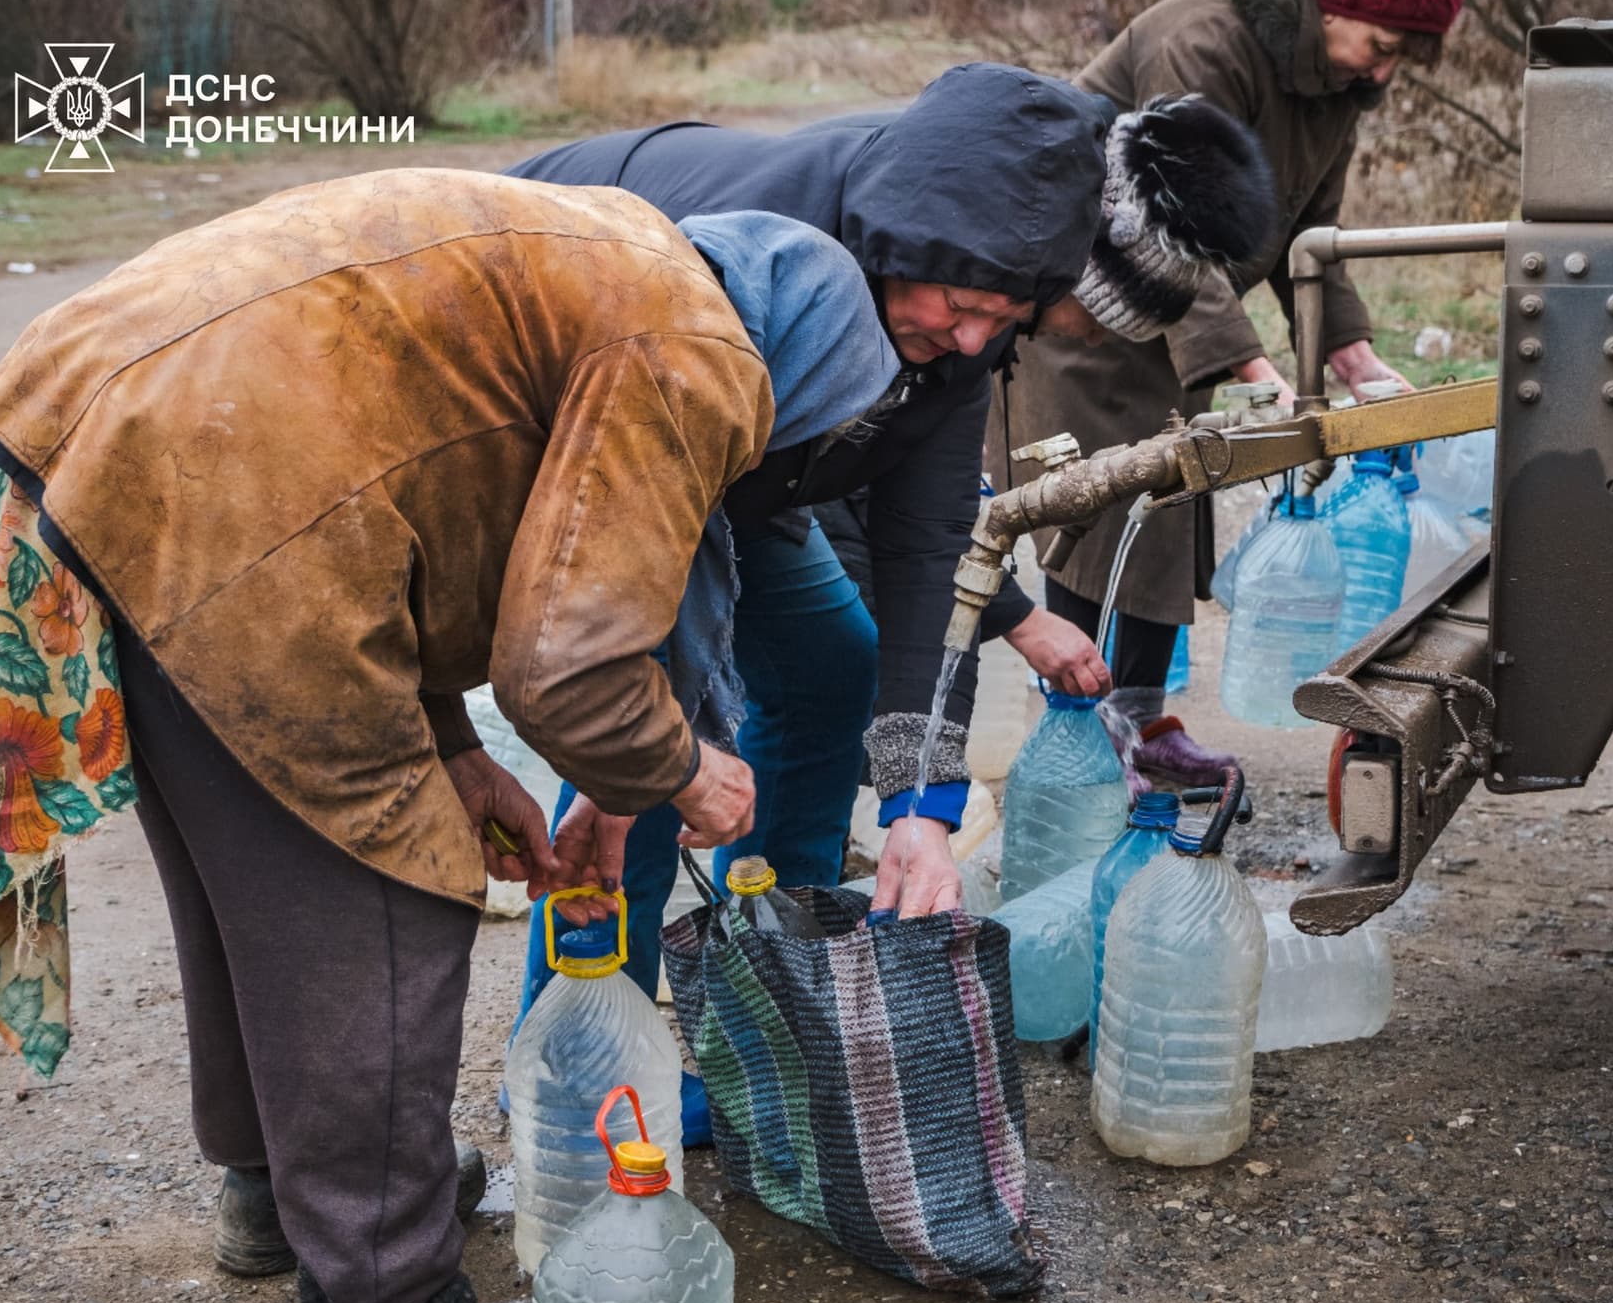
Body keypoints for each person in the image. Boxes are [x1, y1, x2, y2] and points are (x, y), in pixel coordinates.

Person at [0, 171, 898, 1303]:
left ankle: (284, 1196)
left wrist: (450, 745)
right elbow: (569, 673)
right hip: (214, 476)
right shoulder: (703, 351)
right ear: (800, 372)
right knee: (385, 897)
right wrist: (685, 770)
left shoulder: (623, 269)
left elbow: (399, 479)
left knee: (257, 874)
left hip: (115, 434)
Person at [502, 70, 1277, 1045]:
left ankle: (779, 980)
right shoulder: (783, 248)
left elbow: (929, 533)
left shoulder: (967, 285)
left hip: (748, 465)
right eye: (964, 309)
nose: (974, 340)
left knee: (832, 669)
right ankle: (582, 1057)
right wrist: (672, 744)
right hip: (591, 404)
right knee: (647, 755)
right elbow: (669, 524)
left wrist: (921, 807)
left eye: (1007, 321)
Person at [1000, 0, 1466, 785]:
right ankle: (1075, 740)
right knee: (1094, 517)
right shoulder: (1203, 40)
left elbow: (1310, 239)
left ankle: (1138, 727)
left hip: (1175, 320)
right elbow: (1175, 219)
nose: (1384, 71)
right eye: (1381, 45)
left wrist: (1351, 355)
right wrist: (1258, 373)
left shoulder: (1334, 86)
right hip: (1083, 306)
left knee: (1163, 515)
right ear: (1330, 6)